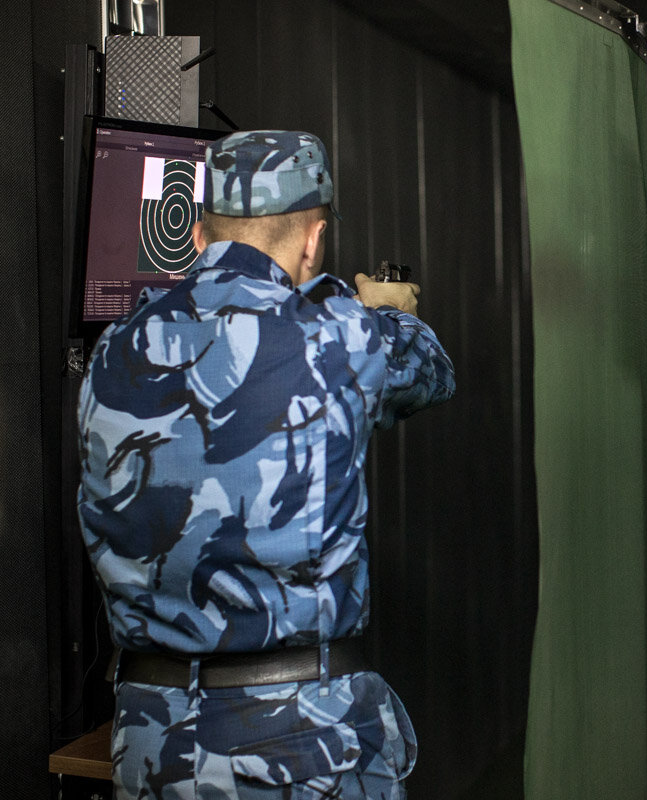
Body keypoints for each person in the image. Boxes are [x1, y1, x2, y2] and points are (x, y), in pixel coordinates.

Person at [76, 130, 455, 799]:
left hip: (150, 743)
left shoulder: (113, 348)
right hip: (302, 744)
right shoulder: (340, 335)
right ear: (312, 239)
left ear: (196, 236)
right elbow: (430, 371)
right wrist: (385, 310)